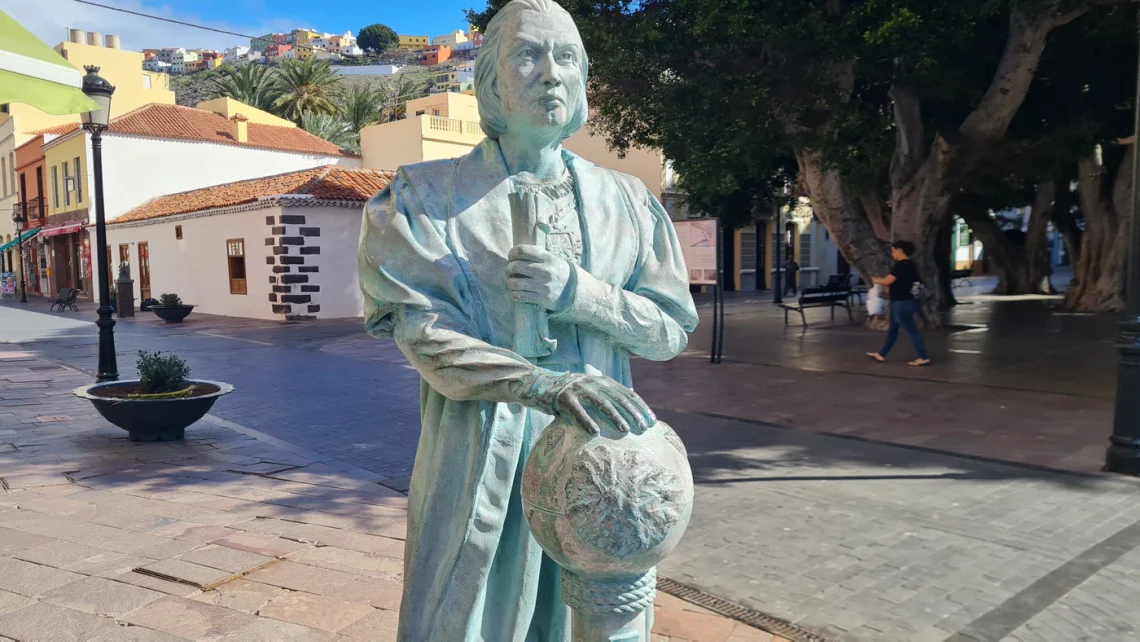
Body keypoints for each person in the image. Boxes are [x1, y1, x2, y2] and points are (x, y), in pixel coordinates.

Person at [357, 1, 699, 639]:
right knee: (472, 616)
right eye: (528, 55)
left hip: (605, 471)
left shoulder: (628, 200)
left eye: (567, 57)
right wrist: (545, 385)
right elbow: (426, 336)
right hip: (481, 455)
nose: (552, 74)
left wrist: (580, 293)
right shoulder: (423, 200)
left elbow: (668, 331)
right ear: (488, 82)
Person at [866, 240, 930, 366]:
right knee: (893, 329)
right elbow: (903, 284)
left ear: (900, 250)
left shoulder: (901, 265)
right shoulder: (911, 265)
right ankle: (882, 354)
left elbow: (888, 281)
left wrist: (876, 280)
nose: (892, 253)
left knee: (912, 330)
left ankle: (923, 356)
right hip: (904, 301)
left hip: (902, 303)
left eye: (893, 250)